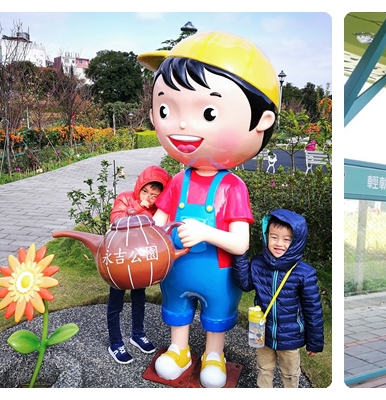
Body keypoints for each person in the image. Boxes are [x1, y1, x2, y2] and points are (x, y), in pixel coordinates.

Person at [138, 30, 280, 388]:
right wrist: (144, 239)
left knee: (217, 315)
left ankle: (214, 353)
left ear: (261, 121)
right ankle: (179, 349)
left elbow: (240, 243)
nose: (182, 125)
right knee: (177, 310)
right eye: (166, 109)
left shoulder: (232, 187)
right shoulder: (177, 181)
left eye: (209, 111)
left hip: (218, 272)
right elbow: (159, 221)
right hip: (178, 267)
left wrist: (203, 232)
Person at [233, 209, 323, 388]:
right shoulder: (259, 263)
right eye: (274, 237)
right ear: (266, 237)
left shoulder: (304, 273)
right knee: (264, 368)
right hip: (263, 333)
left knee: (290, 374)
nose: (279, 243)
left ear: (296, 242)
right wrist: (240, 255)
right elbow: (245, 284)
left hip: (289, 338)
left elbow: (312, 310)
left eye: (286, 239)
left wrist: (314, 342)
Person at [104, 165, 171, 363]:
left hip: (140, 261)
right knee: (115, 302)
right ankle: (115, 343)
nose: (148, 197)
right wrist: (140, 206)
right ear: (139, 186)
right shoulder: (125, 197)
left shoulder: (157, 211)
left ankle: (137, 334)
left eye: (154, 195)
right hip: (119, 258)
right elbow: (117, 220)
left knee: (139, 298)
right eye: (146, 191)